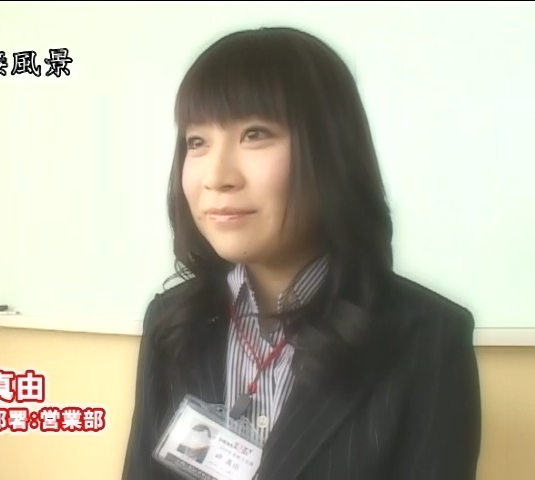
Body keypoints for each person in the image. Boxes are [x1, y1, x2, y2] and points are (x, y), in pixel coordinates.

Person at [122, 26, 481, 480]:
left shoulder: (427, 339)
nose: (217, 176)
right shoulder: (171, 324)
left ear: (330, 151)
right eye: (197, 142)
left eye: (255, 134)